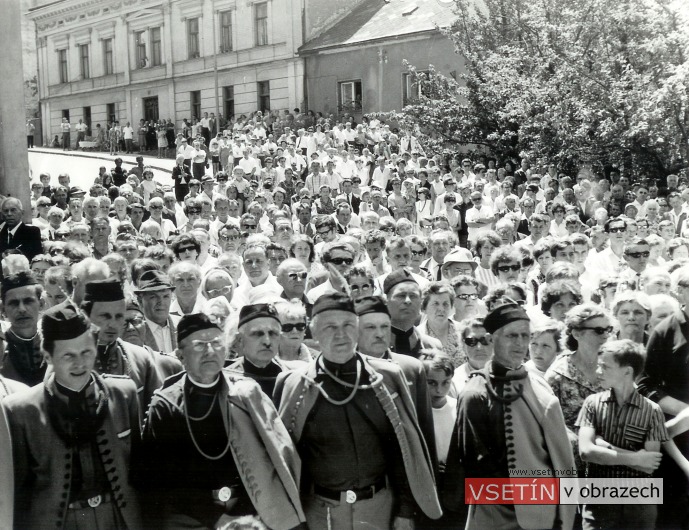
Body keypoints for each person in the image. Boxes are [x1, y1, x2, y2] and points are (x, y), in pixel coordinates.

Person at [275, 292, 442, 528]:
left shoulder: (388, 377)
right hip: (320, 513)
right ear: (313, 333)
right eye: (330, 326)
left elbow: (404, 448)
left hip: (379, 510)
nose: (340, 335)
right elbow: (286, 461)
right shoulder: (295, 384)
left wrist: (406, 511)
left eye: (348, 325)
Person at [140, 313, 306, 529]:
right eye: (200, 346)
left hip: (251, 515)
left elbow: (273, 460)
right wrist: (218, 518)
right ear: (181, 356)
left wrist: (248, 516)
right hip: (193, 518)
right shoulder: (165, 405)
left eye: (216, 344)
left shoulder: (245, 392)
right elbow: (161, 480)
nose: (210, 352)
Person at [4, 300, 143, 529]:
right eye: (68, 356)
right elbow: (19, 492)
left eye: (86, 352)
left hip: (117, 519)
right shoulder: (20, 411)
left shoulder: (123, 393)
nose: (80, 363)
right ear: (47, 357)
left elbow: (140, 471)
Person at [446, 302, 576, 530]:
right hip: (498, 517)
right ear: (490, 339)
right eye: (512, 336)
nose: (520, 344)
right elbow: (478, 471)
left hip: (545, 514)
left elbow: (563, 464)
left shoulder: (538, 383)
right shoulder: (475, 393)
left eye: (525, 336)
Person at [577, 339, 672, 529]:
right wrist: (636, 458)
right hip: (599, 499)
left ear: (627, 371)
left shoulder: (652, 411)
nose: (598, 371)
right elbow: (586, 452)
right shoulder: (592, 403)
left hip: (639, 502)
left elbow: (649, 465)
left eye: (605, 367)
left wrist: (605, 446)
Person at [80, 278, 179, 422]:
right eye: (105, 316)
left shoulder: (140, 358)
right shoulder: (73, 358)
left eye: (118, 316)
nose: (113, 324)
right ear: (87, 318)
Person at [225, 303, 305, 397]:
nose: (267, 342)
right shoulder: (226, 381)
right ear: (240, 340)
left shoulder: (293, 377)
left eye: (273, 333)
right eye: (258, 334)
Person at [0, 272, 46, 387]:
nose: (22, 309)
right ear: (3, 309)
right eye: (13, 303)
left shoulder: (54, 344)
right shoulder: (1, 349)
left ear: (41, 304)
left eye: (28, 301)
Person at [134, 270, 177, 354]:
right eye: (153, 297)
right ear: (140, 300)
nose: (161, 302)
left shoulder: (180, 326)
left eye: (165, 296)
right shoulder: (135, 332)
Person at [0, 197, 44, 263]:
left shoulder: (32, 232)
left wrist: (18, 253)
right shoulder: (1, 234)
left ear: (22, 212)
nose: (9, 214)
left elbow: (37, 258)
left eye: (13, 210)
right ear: (2, 215)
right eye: (6, 211)